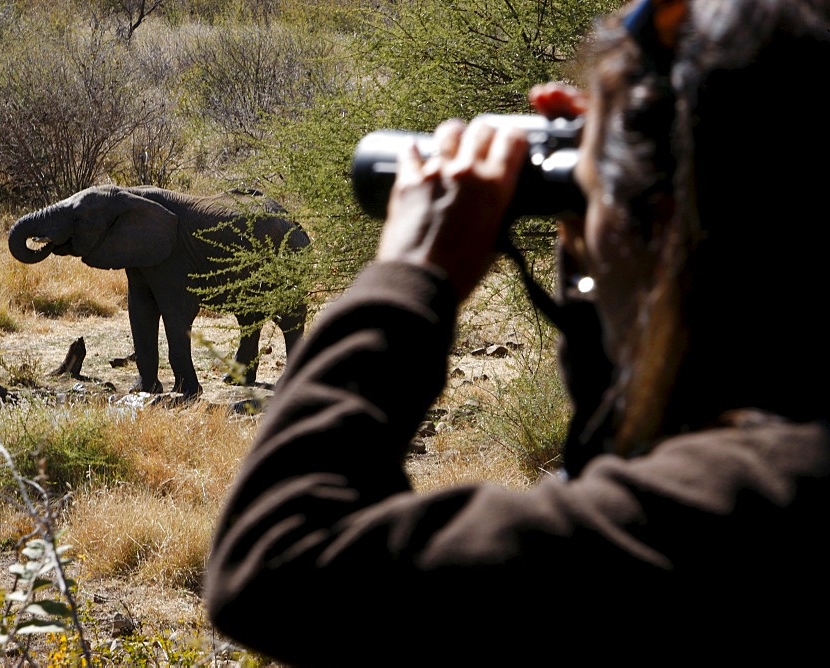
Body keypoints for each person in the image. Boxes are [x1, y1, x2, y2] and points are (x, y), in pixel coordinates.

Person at [205, 0, 830, 664]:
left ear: (664, 219)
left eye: (589, 201)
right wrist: (596, 224)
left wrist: (411, 274)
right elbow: (634, 461)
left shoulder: (744, 509)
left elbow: (281, 565)